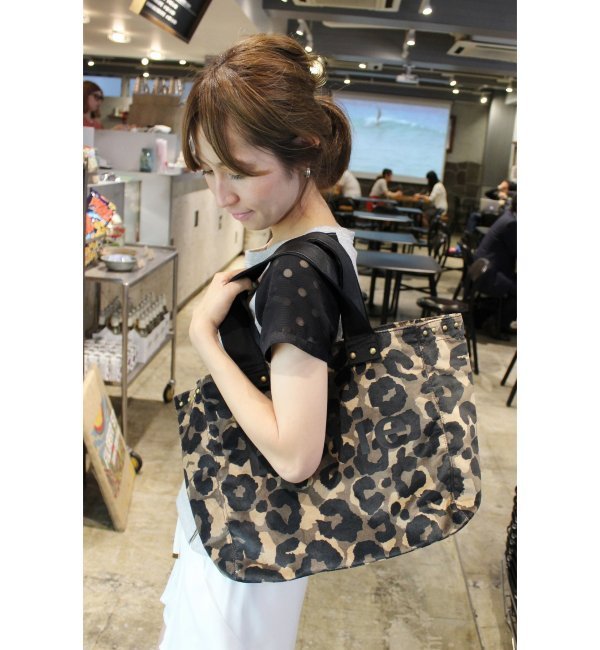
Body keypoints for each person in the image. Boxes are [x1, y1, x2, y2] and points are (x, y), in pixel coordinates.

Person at [158, 34, 358, 650]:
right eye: (209, 171)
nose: (222, 196)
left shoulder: (296, 270)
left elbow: (295, 454)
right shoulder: (325, 241)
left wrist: (205, 340)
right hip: (252, 533)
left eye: (241, 173)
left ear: (305, 149)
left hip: (245, 540)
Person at [473, 194, 517, 337]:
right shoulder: (512, 223)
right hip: (489, 274)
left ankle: (500, 321)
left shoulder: (508, 217)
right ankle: (496, 323)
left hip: (485, 268)